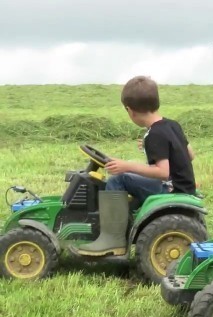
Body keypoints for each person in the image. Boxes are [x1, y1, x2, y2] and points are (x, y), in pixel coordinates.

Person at [69, 75, 196, 257]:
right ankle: (124, 223)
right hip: (183, 186)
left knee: (118, 180)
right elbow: (190, 155)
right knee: (127, 178)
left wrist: (126, 166)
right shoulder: (171, 125)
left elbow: (162, 172)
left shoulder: (155, 135)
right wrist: (152, 148)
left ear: (130, 111)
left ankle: (112, 239)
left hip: (170, 189)